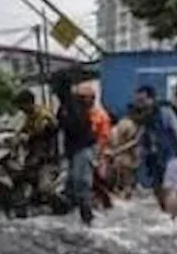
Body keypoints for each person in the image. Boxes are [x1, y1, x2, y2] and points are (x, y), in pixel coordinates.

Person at [135, 85, 177, 217]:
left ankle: (171, 222)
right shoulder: (147, 117)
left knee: (170, 189)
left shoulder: (164, 111)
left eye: (143, 100)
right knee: (165, 191)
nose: (140, 104)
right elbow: (138, 140)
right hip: (165, 157)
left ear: (151, 99)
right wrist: (116, 152)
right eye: (138, 101)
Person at [55, 77, 99, 224]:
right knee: (71, 184)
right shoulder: (65, 106)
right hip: (73, 150)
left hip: (83, 148)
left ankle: (87, 218)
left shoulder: (74, 105)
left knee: (81, 183)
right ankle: (74, 216)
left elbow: (77, 126)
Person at [14, 90, 59, 207]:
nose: (21, 109)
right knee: (24, 175)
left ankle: (59, 204)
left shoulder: (43, 116)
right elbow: (21, 130)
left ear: (29, 103)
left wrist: (29, 136)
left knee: (44, 187)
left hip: (47, 156)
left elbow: (43, 132)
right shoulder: (30, 116)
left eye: (22, 106)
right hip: (34, 153)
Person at [109, 105, 143, 198]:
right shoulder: (130, 124)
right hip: (125, 155)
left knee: (121, 181)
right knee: (126, 181)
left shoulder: (121, 124)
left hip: (120, 155)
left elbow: (114, 139)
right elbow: (133, 143)